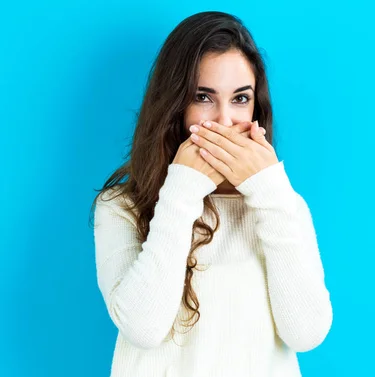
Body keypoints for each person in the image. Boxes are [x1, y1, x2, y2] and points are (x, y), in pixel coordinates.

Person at [91, 11, 333, 377]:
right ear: (175, 106)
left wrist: (269, 193)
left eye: (240, 99)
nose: (223, 121)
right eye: (204, 97)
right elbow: (143, 327)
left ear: (256, 108)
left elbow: (306, 333)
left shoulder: (283, 205)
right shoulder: (120, 207)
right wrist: (183, 187)